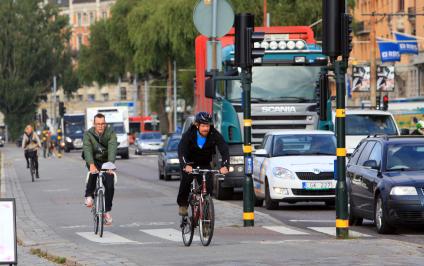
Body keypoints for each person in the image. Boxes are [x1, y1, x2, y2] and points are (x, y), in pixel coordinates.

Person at [177, 111, 230, 216]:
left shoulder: (214, 134)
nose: (206, 128)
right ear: (197, 125)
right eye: (203, 126)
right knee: (186, 181)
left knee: (208, 186)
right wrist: (185, 165)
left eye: (208, 126)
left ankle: (205, 216)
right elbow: (181, 150)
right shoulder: (189, 134)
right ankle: (183, 205)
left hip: (204, 163)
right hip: (189, 164)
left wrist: (225, 165)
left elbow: (224, 149)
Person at [83, 113, 118, 225]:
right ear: (94, 124)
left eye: (102, 124)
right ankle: (89, 196)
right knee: (93, 174)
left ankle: (106, 211)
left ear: (105, 124)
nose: (100, 126)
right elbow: (87, 149)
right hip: (93, 160)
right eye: (98, 124)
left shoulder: (111, 133)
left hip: (106, 161)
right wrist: (91, 164)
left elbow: (112, 147)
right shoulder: (88, 134)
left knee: (110, 183)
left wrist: (111, 164)